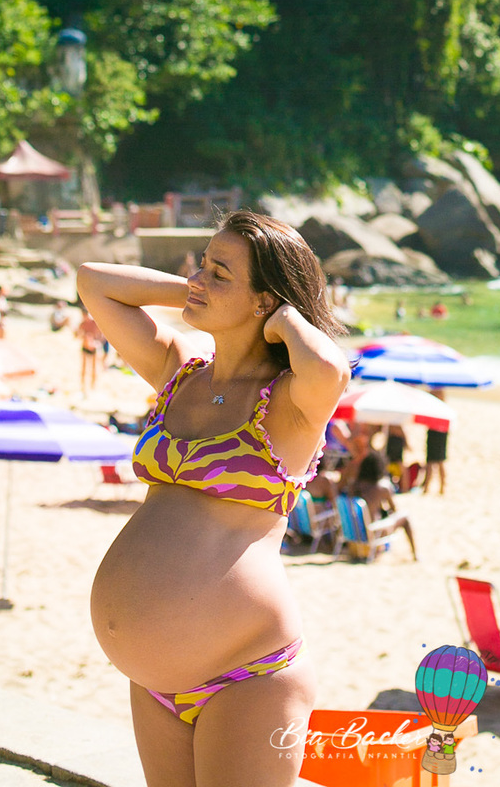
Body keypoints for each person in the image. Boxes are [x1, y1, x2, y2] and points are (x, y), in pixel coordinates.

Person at [77, 209, 350, 787]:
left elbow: (330, 366)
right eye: (201, 264)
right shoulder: (178, 371)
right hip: (154, 683)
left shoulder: (292, 404)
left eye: (219, 272)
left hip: (247, 676)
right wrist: (203, 289)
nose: (200, 278)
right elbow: (93, 281)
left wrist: (282, 318)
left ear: (266, 301)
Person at [422, 395, 448, 494]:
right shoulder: (437, 399)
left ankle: (437, 487)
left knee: (435, 460)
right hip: (437, 429)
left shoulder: (436, 394)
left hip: (438, 429)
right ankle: (431, 487)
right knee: (435, 460)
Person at [76, 309, 103, 392]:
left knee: (94, 367)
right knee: (84, 367)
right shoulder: (82, 324)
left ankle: (93, 386)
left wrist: (97, 342)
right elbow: (77, 335)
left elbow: (101, 335)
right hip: (85, 347)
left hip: (94, 348)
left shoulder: (94, 323)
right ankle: (83, 385)